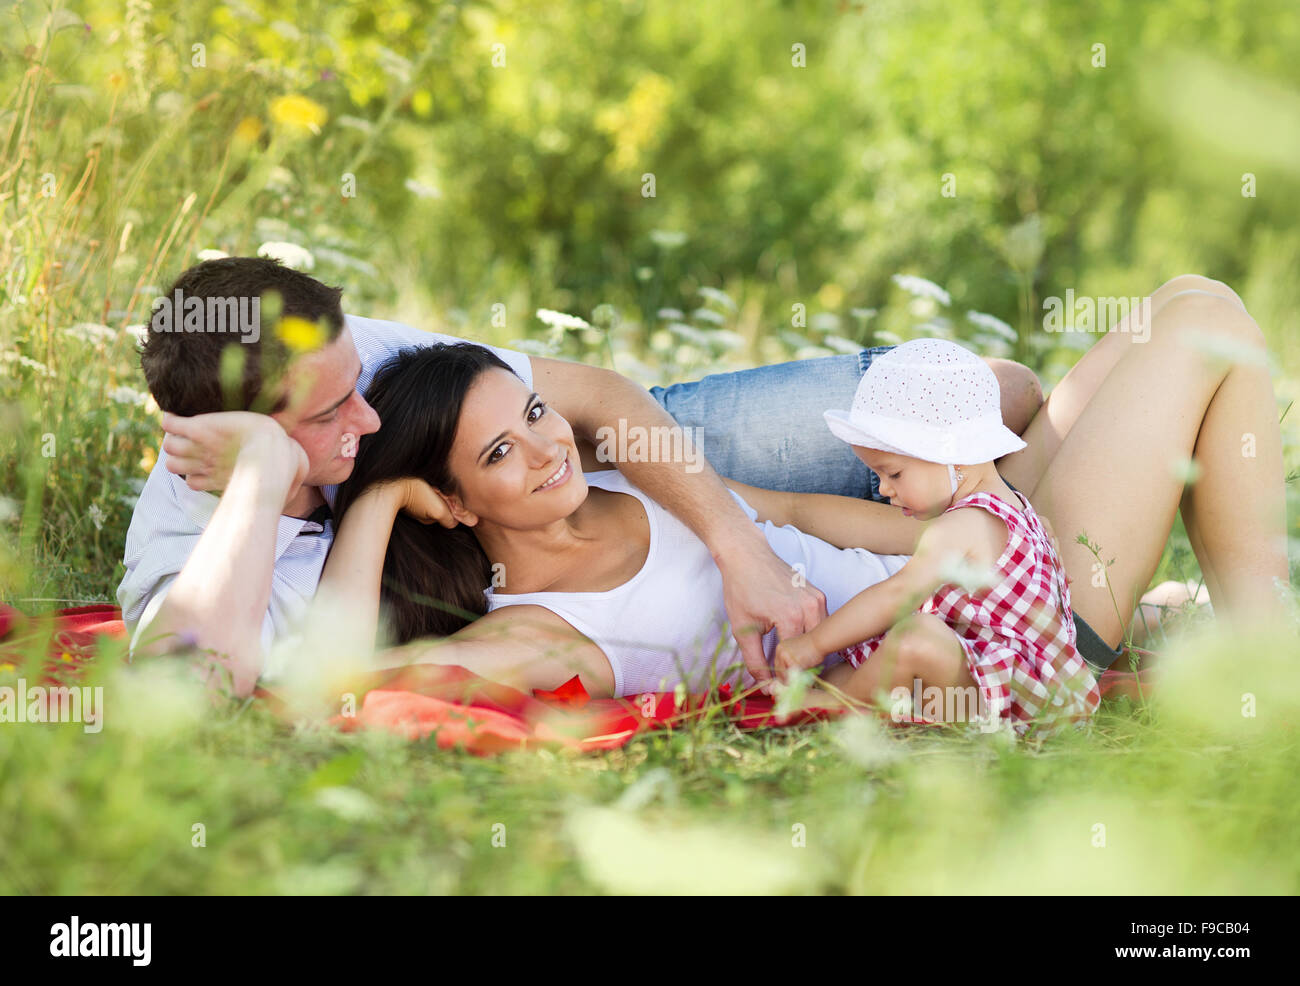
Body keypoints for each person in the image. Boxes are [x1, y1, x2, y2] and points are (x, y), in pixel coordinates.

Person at [117, 256, 1044, 696]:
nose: (362, 412)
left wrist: (736, 546)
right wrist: (262, 481)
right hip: (530, 512)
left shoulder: (338, 355)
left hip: (617, 459)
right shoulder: (192, 548)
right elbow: (189, 694)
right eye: (324, 419)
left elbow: (598, 397)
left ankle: (1056, 580)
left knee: (999, 388)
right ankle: (1072, 601)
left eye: (358, 386)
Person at [770, 339, 1100, 731]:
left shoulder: (962, 525)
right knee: (848, 671)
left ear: (954, 452)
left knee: (915, 638)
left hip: (1013, 701)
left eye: (893, 474)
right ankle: (847, 694)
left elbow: (896, 594)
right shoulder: (1019, 508)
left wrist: (815, 643)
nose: (885, 490)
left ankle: (847, 709)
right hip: (1002, 687)